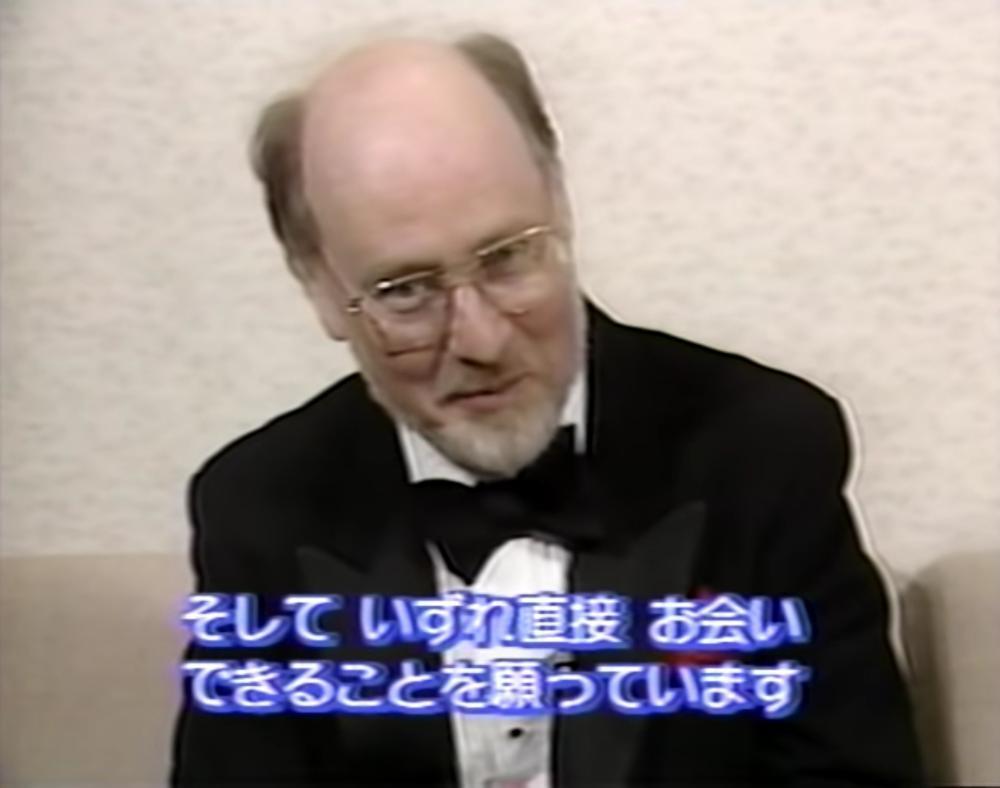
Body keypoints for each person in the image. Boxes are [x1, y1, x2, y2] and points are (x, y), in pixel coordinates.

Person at [170, 32, 924, 787]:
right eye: (407, 291)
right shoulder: (258, 506)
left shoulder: (763, 449)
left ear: (559, 202)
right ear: (321, 288)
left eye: (506, 258)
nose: (482, 341)